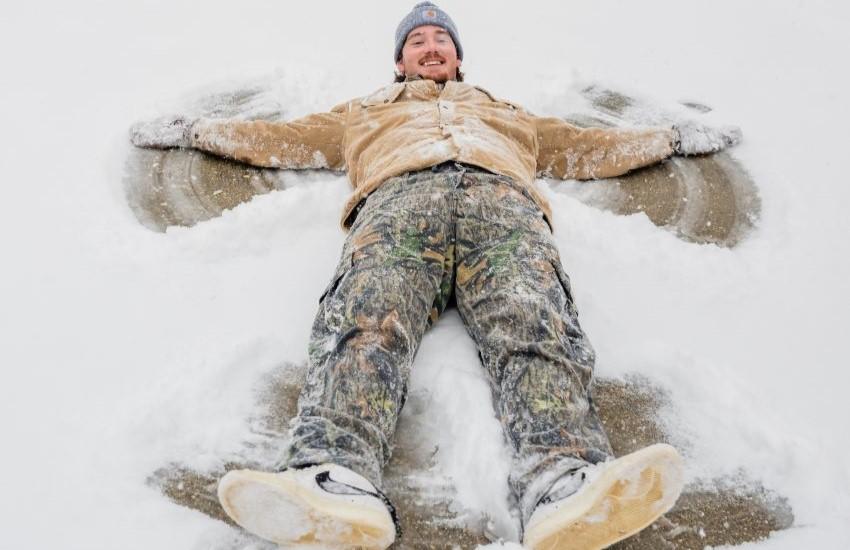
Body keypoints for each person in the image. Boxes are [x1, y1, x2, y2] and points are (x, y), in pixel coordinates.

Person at [131, 3, 740, 548]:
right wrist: (196, 132)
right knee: (366, 314)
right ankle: (334, 474)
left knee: (532, 316)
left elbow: (587, 147)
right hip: (400, 200)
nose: (429, 47)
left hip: (499, 203)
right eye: (417, 41)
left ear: (457, 56)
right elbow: (283, 139)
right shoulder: (363, 111)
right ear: (400, 61)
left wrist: (670, 138)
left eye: (439, 40)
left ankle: (564, 478)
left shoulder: (507, 113)